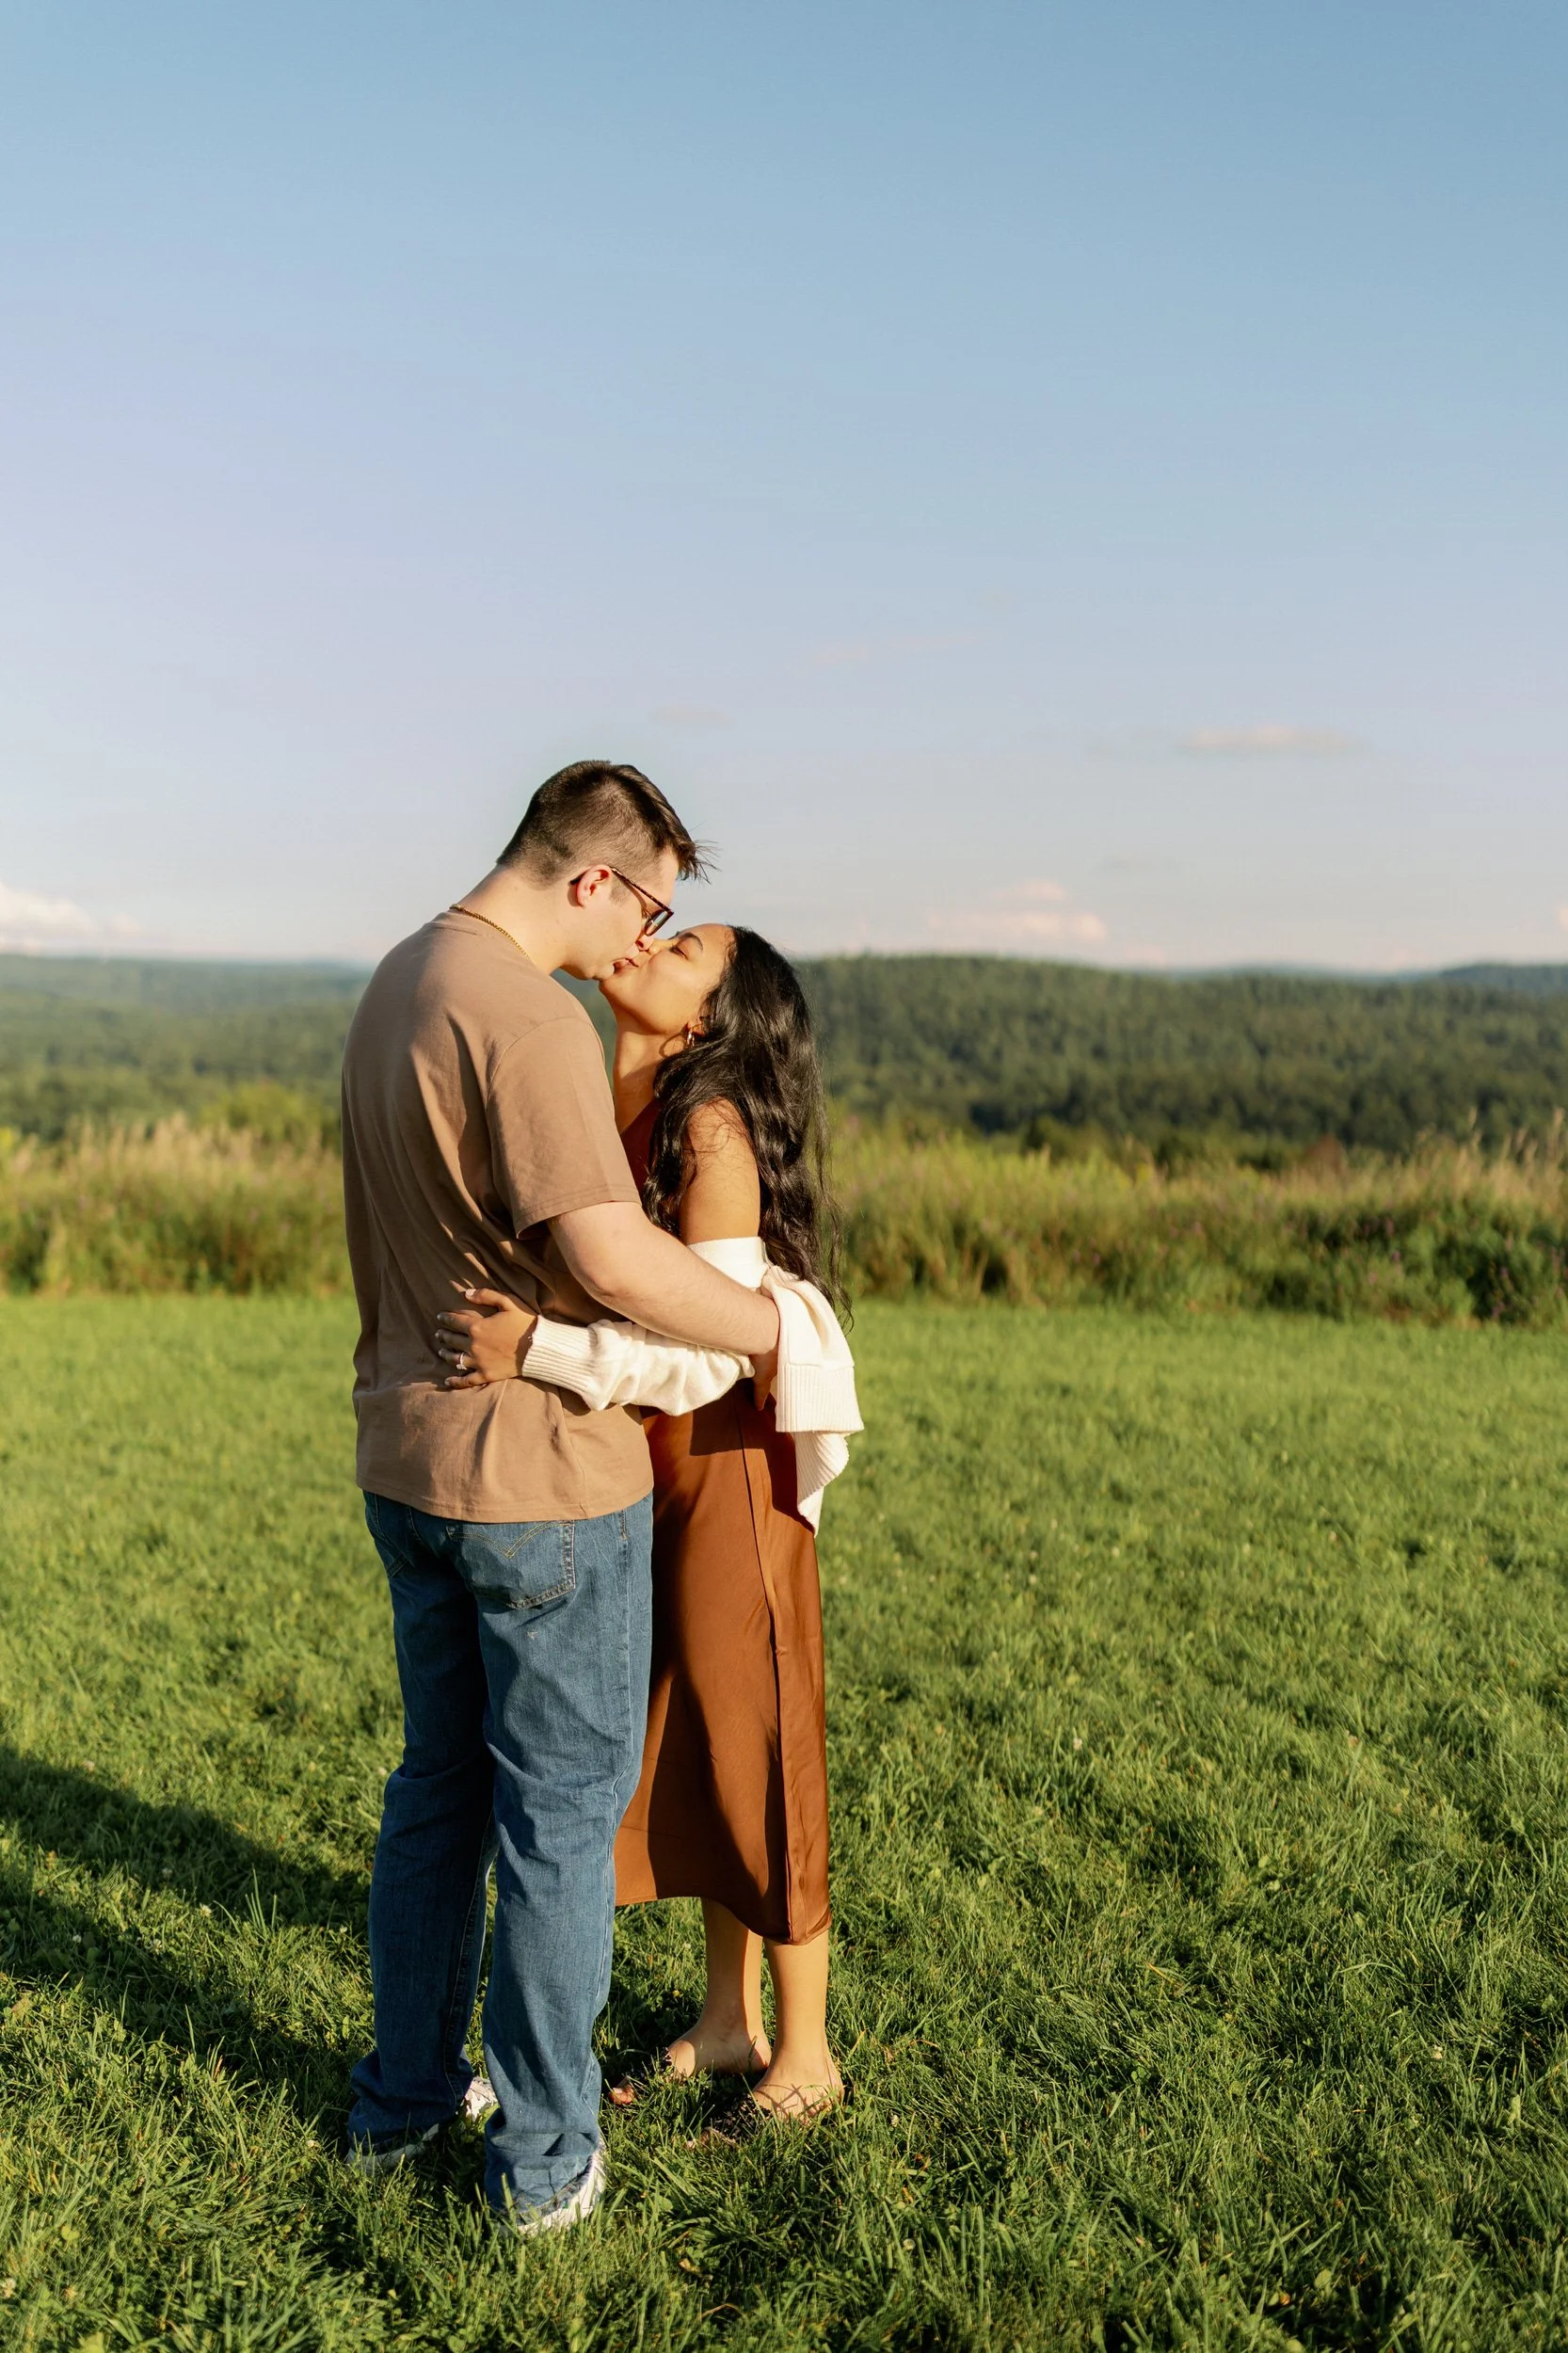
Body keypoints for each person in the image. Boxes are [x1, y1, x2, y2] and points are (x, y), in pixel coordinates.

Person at [339, 762, 781, 2234]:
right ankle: (544, 2164)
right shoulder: (527, 1014)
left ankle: (402, 2103)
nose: (640, 938)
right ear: (593, 879)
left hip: (404, 1462)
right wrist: (773, 1325)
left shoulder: (401, 974)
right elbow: (608, 1256)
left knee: (437, 1793)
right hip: (536, 1483)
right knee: (555, 1821)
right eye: (648, 904)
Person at [436, 922, 859, 2123]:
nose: (645, 940)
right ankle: (728, 2023)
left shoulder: (709, 1127)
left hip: (724, 1471)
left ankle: (808, 2055)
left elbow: (717, 1351)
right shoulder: (610, 1091)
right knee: (691, 1741)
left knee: (758, 1739)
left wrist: (537, 1348)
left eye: (681, 949)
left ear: (705, 1021)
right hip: (639, 1468)